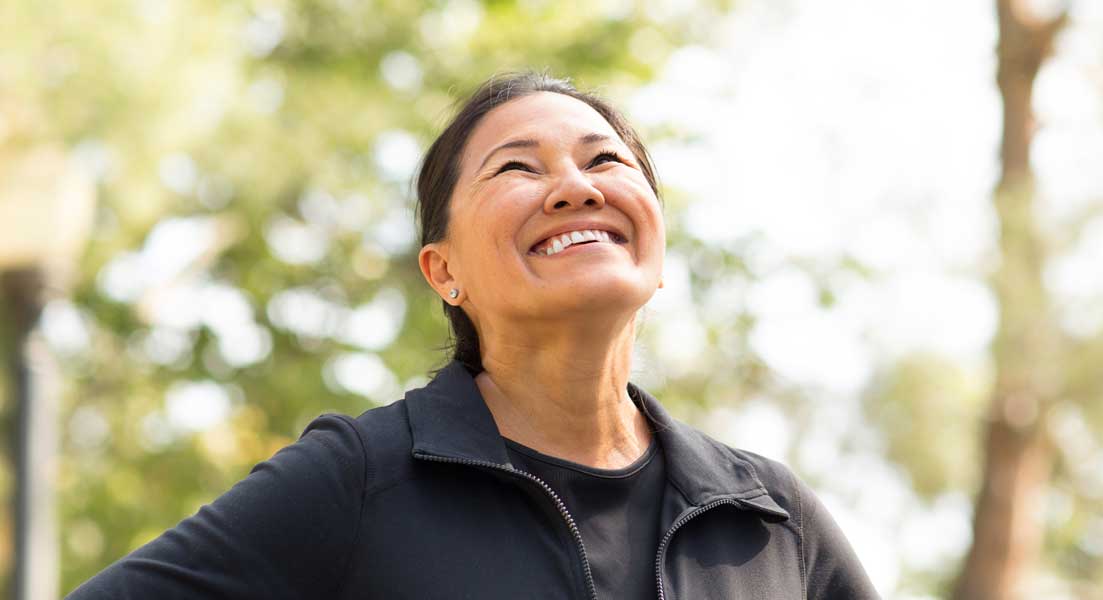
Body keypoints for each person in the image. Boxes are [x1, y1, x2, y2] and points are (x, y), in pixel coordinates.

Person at [68, 72, 878, 599]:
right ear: (442, 270)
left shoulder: (768, 517)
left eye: (605, 162)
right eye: (518, 169)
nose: (573, 188)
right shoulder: (357, 481)